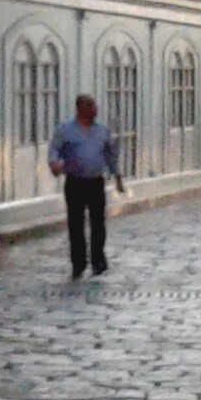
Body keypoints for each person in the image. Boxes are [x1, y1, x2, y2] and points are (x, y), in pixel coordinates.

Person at [47, 92, 124, 278]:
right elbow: (54, 148)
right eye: (89, 106)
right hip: (75, 181)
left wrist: (117, 177)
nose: (94, 109)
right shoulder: (65, 130)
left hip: (96, 181)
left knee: (98, 222)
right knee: (76, 223)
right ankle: (78, 262)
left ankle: (98, 260)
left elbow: (110, 156)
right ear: (80, 108)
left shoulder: (102, 131)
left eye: (94, 105)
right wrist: (54, 163)